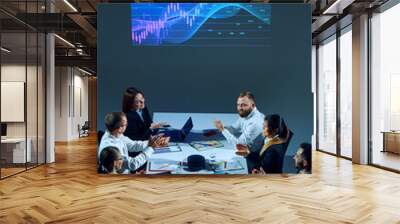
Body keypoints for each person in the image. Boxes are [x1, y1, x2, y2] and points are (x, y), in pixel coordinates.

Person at [98, 112, 169, 173]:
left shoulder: (115, 133)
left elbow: (133, 145)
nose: (127, 125)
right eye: (126, 124)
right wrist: (151, 148)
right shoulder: (111, 148)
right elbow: (132, 164)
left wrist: (151, 142)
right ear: (120, 128)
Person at [214, 91, 264, 170]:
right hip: (245, 151)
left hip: (251, 159)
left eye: (244, 105)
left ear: (253, 105)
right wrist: (221, 129)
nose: (240, 108)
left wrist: (223, 130)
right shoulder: (246, 113)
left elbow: (238, 145)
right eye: (238, 105)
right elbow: (234, 128)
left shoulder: (255, 122)